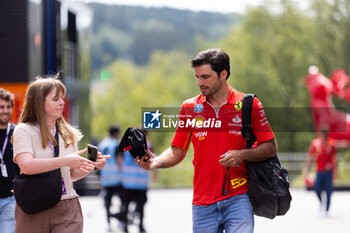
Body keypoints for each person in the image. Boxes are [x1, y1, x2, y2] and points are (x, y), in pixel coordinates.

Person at [136, 48, 277, 233]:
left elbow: (271, 147)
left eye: (205, 77)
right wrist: (155, 162)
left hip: (239, 197)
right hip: (203, 202)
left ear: (223, 74)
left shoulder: (249, 105)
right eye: (197, 77)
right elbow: (177, 151)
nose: (200, 83)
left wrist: (242, 154)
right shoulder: (189, 107)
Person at [12, 75, 109, 233]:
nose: (62, 102)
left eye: (62, 98)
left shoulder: (68, 133)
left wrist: (92, 166)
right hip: (34, 205)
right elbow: (27, 166)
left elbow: (70, 175)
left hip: (67, 206)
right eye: (56, 98)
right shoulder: (24, 130)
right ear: (39, 102)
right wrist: (65, 160)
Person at [303, 126, 337, 216]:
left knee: (328, 190)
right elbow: (310, 157)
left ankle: (327, 209)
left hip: (328, 171)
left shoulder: (332, 143)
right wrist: (306, 169)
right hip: (319, 170)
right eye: (322, 133)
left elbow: (334, 159)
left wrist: (335, 171)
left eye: (325, 133)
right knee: (317, 188)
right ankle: (322, 201)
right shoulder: (315, 143)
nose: (324, 135)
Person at [98, 124, 123, 231]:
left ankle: (108, 222)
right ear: (117, 133)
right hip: (116, 177)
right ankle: (121, 220)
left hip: (105, 176)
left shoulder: (102, 144)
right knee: (122, 200)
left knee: (108, 201)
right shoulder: (116, 144)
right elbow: (119, 160)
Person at [0, 88, 19, 233]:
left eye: (8, 107)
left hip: (11, 199)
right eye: (1, 107)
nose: (5, 111)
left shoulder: (18, 133)